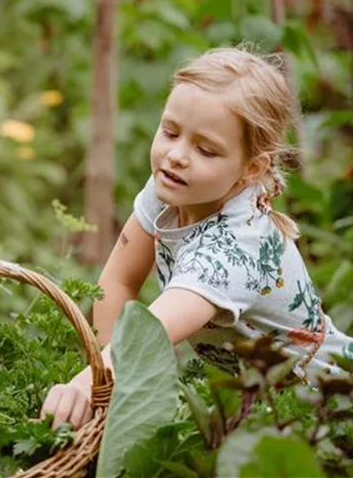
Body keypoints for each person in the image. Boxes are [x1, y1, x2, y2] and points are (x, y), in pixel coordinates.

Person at [41, 47, 353, 430]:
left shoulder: (236, 249)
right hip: (265, 407)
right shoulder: (172, 189)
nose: (176, 155)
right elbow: (119, 281)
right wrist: (106, 387)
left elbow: (149, 334)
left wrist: (93, 382)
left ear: (251, 168)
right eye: (170, 132)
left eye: (205, 150)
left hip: (330, 406)